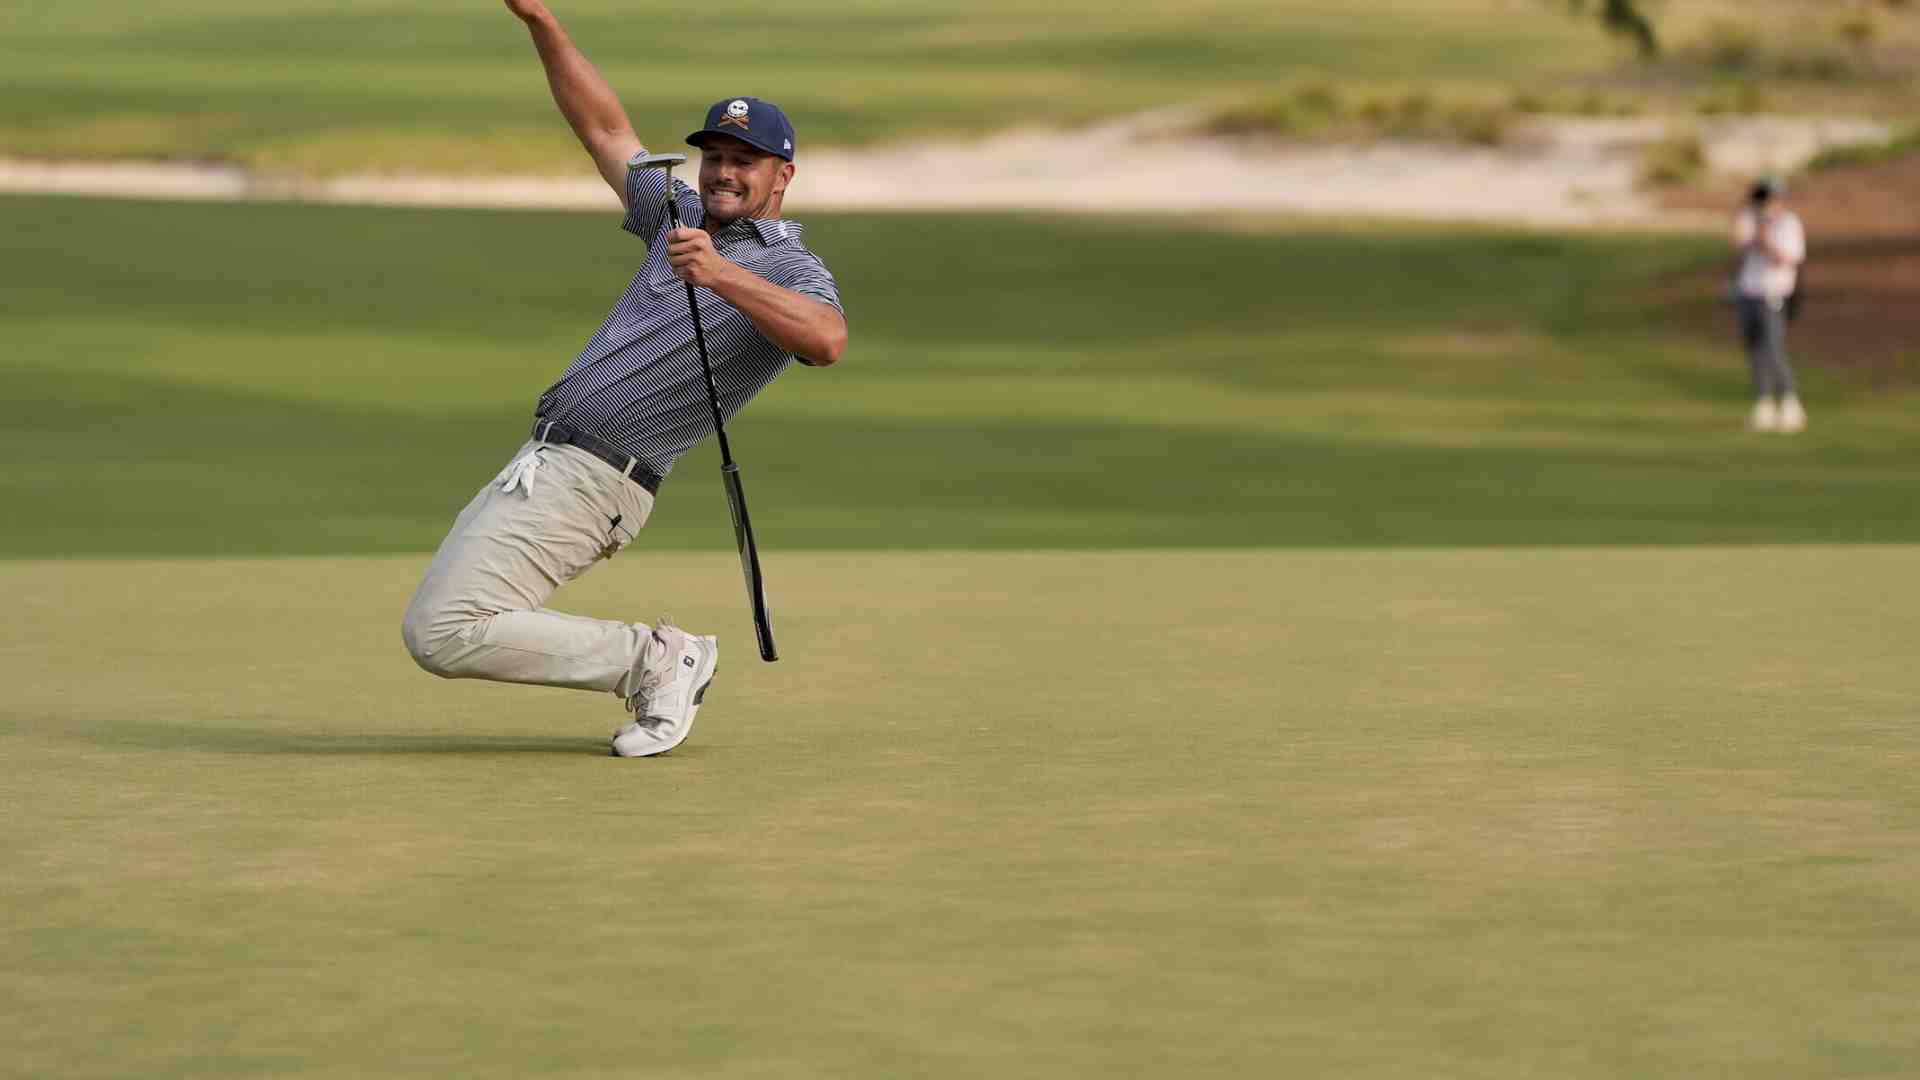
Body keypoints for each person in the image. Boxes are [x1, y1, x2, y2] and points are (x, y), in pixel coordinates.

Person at [400, 0, 849, 757]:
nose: (724, 172)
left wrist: (723, 277)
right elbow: (606, 130)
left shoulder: (790, 266)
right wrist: (540, 20)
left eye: (744, 160)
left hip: (602, 477)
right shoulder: (676, 216)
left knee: (444, 630)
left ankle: (654, 658)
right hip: (547, 461)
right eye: (715, 156)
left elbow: (828, 340)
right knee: (442, 623)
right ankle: (655, 658)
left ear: (783, 175)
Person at [1731, 178, 1807, 433]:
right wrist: (1756, 229)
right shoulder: (1749, 217)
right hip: (1748, 292)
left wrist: (1764, 240)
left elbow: (1787, 259)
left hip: (1773, 294)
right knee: (1754, 349)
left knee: (1773, 348)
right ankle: (1763, 404)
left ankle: (1790, 402)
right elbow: (1738, 240)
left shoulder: (1789, 224)